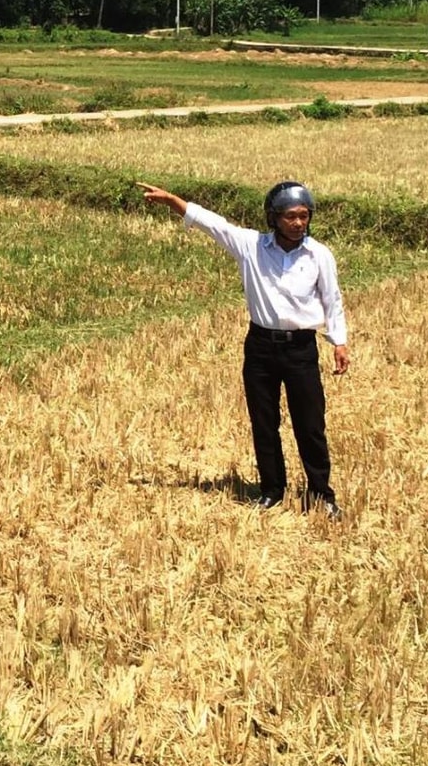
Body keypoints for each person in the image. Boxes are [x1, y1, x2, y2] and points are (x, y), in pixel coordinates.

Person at [138, 179, 349, 516]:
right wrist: (173, 202)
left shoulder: (319, 255)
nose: (298, 223)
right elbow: (213, 224)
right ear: (274, 217)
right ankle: (271, 490)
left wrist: (339, 341)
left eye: (304, 216)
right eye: (291, 216)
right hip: (261, 348)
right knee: (263, 421)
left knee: (310, 424)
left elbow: (332, 299)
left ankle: (321, 494)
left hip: (301, 350)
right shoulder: (250, 246)